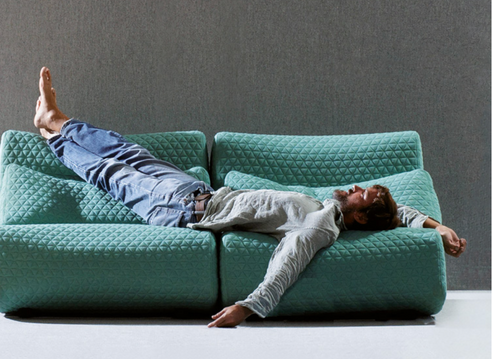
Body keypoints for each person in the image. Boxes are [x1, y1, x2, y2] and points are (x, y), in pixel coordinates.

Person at [33, 67, 467, 328]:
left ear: (362, 219)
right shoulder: (329, 206)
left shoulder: (320, 225)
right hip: (198, 193)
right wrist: (440, 226)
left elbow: (289, 261)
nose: (355, 187)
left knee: (111, 173)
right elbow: (400, 213)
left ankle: (51, 137)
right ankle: (59, 120)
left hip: (181, 210)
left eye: (362, 194)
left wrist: (249, 307)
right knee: (128, 151)